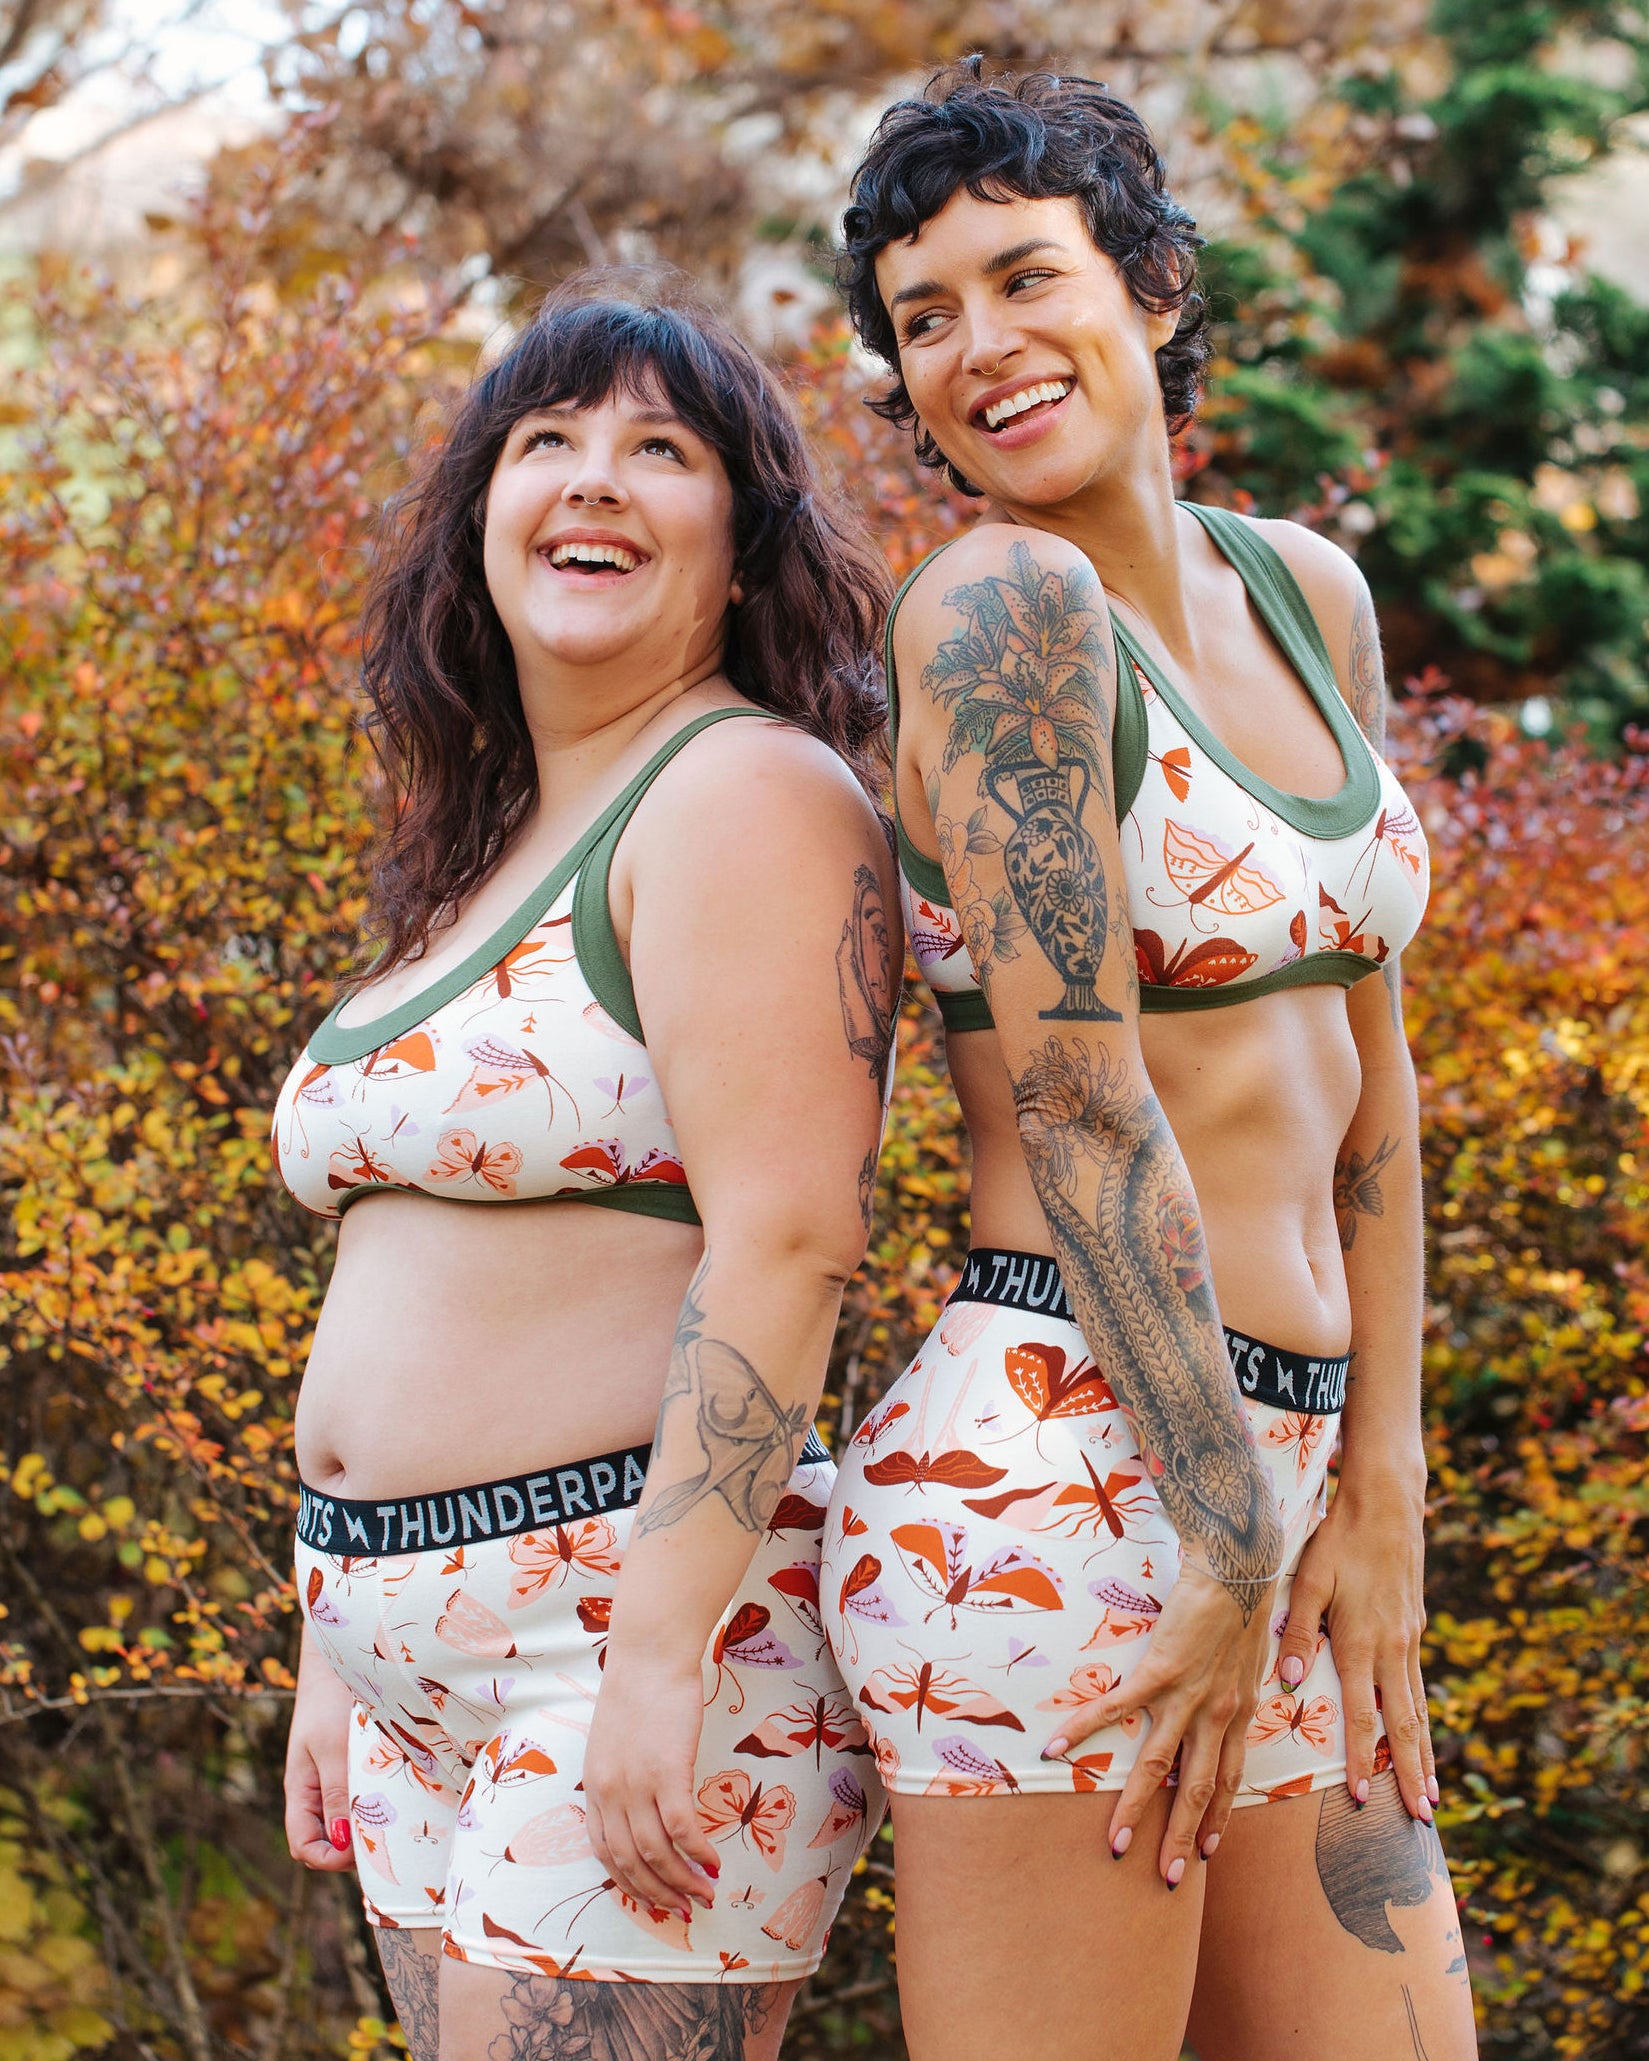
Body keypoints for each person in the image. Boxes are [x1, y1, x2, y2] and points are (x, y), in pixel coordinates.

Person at [819, 63, 1477, 2061]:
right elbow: (1087, 1102)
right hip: (1074, 1475)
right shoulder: (1003, 614)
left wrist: (1380, 1478)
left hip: (1282, 1482)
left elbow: (1378, 1082)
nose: (981, 350)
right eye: (925, 320)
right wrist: (1222, 1516)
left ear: (1158, 288)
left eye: (1027, 278)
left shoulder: (1307, 591)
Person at [274, 278, 898, 2061]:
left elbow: (786, 1241)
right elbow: (408, 1253)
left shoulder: (741, 793)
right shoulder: (486, 845)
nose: (592, 480)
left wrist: (655, 1660)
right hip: (401, 1648)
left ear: (742, 535)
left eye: (660, 449)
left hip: (621, 1635)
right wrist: (341, 1630)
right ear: (478, 518)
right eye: (543, 442)